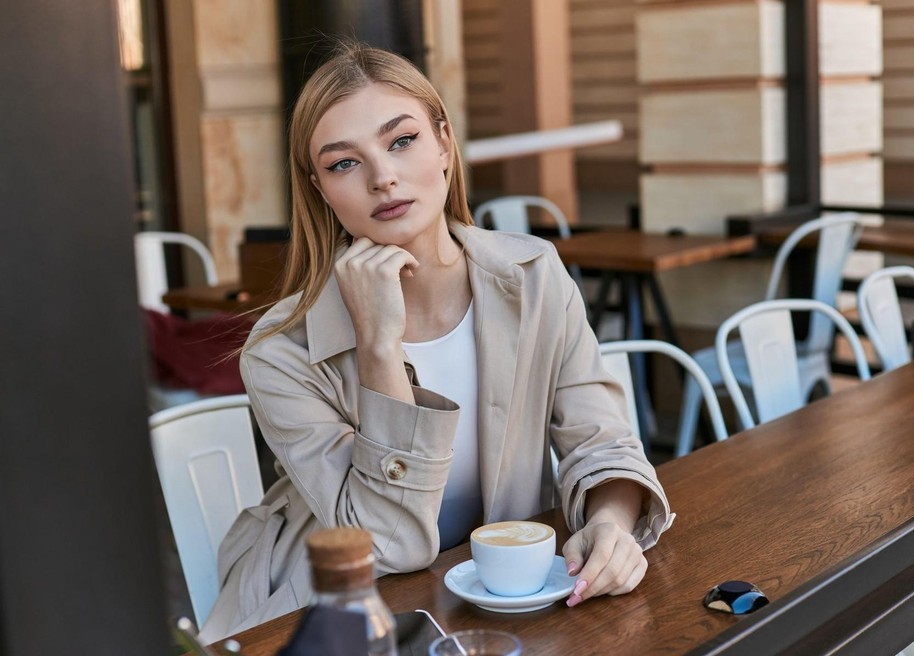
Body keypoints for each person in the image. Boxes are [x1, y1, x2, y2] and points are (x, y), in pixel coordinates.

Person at [199, 42, 673, 642]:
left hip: (498, 601)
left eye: (402, 140)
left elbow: (601, 438)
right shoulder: (279, 352)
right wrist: (377, 347)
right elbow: (387, 545)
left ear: (444, 142)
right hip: (336, 616)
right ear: (318, 188)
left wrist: (611, 523)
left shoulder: (534, 275)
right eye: (344, 163)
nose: (383, 177)